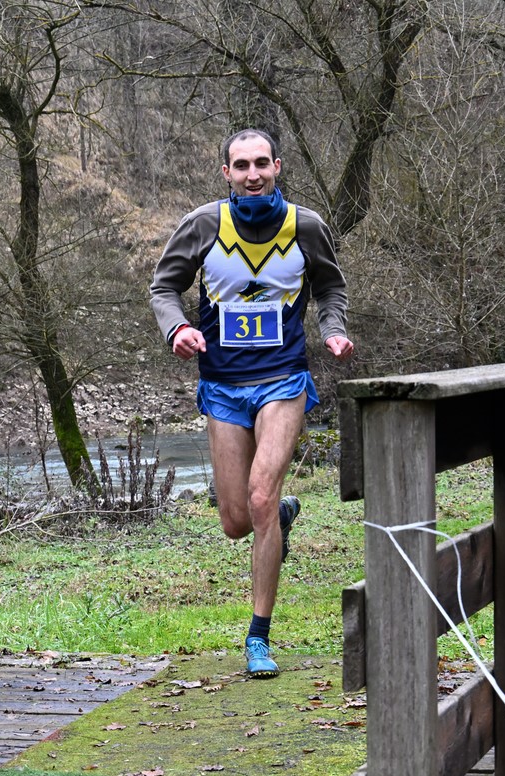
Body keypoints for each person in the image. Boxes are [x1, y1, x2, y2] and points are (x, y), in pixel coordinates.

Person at [149, 129, 354, 678]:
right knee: (237, 521)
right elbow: (163, 288)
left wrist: (333, 330)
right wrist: (177, 330)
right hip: (222, 385)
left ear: (277, 166)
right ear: (227, 173)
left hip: (283, 380)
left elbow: (331, 288)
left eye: (261, 163)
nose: (253, 174)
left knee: (261, 495)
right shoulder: (203, 224)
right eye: (241, 165)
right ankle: (279, 519)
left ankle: (258, 637)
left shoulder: (305, 226)